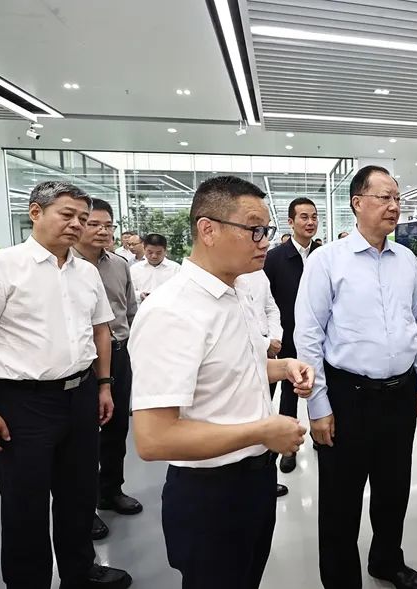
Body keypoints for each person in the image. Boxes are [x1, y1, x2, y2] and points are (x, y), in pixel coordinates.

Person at [129, 175, 312, 589]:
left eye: (266, 229)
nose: (265, 241)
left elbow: (231, 370)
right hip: (210, 493)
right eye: (254, 229)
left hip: (255, 479)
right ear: (208, 230)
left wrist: (283, 367)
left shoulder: (239, 291)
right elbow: (154, 438)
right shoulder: (172, 312)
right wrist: (262, 431)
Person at [0, 181, 132, 588]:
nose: (77, 224)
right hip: (22, 402)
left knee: (79, 494)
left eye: (82, 218)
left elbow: (101, 331)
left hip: (81, 395)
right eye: (67, 214)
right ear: (35, 212)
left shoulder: (86, 272)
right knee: (25, 503)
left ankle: (80, 570)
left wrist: (104, 386)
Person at [295, 165, 417, 589]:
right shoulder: (327, 260)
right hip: (347, 395)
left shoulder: (406, 260)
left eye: (397, 198)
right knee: (341, 500)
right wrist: (318, 406)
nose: (394, 206)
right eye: (384, 197)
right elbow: (308, 335)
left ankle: (386, 561)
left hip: (399, 394)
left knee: (394, 488)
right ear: (357, 203)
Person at [73, 198, 143, 542]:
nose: (103, 231)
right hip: (83, 361)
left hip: (118, 352)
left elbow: (130, 310)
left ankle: (111, 490)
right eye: (94, 224)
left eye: (108, 225)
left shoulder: (118, 264)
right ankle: (82, 508)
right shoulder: (65, 266)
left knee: (117, 429)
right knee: (83, 437)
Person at [263, 196, 320, 474]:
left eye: (314, 217)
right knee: (289, 392)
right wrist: (271, 337)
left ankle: (320, 434)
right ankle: (287, 448)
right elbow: (266, 302)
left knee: (319, 386)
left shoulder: (324, 255)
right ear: (291, 221)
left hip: (320, 338)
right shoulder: (274, 259)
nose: (310, 222)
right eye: (304, 217)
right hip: (287, 338)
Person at [235, 266, 290, 497]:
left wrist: (275, 338)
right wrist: (265, 344)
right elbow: (238, 326)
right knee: (244, 417)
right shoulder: (226, 280)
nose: (262, 248)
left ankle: (264, 476)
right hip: (248, 354)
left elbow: (271, 307)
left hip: (268, 352)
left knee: (265, 408)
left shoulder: (259, 273)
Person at [130, 233, 179, 302]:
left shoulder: (176, 269)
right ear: (144, 249)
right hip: (142, 306)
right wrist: (140, 295)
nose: (154, 256)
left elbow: (181, 291)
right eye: (150, 252)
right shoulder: (134, 269)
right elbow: (129, 291)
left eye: (158, 253)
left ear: (165, 251)